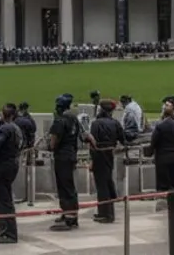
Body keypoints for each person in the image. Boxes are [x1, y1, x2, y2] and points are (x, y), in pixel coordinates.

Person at [0, 103, 23, 245]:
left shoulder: (4, 129)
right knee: (7, 199)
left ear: (3, 114)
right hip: (12, 164)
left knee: (2, 200)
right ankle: (9, 231)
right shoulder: (17, 128)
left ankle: (7, 232)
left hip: (2, 166)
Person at [88, 99, 125, 224]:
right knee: (108, 182)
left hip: (99, 156)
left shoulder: (96, 124)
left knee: (102, 185)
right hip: (109, 155)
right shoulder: (115, 123)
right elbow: (123, 139)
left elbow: (92, 143)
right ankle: (108, 212)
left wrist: (92, 160)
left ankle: (106, 213)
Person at [49, 93, 81, 231]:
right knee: (69, 186)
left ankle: (69, 217)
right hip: (72, 155)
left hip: (62, 156)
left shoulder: (60, 120)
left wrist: (50, 146)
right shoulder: (74, 119)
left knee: (64, 186)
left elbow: (53, 142)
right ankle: (71, 214)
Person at [149, 95, 174, 220]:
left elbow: (154, 142)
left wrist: (150, 152)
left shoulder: (160, 126)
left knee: (162, 183)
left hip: (162, 156)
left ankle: (162, 206)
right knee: (172, 181)